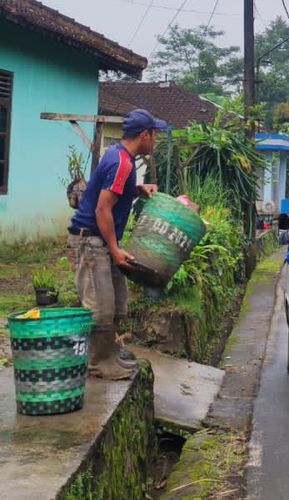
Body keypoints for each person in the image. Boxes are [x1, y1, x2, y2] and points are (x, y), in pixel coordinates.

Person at [67, 109, 164, 380]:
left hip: (101, 239)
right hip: (89, 240)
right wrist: (114, 249)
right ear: (144, 135)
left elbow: (110, 191)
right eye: (154, 134)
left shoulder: (121, 158)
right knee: (100, 306)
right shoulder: (121, 162)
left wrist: (138, 188)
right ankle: (97, 362)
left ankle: (109, 352)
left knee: (118, 303)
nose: (155, 140)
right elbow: (102, 209)